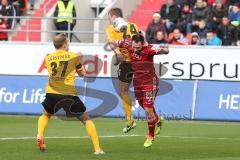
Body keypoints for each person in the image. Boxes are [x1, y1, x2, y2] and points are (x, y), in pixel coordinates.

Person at [37, 34, 104, 155]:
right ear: (65, 44)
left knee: (46, 114)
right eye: (67, 43)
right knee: (86, 119)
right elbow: (83, 74)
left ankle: (40, 134)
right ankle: (97, 149)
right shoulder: (73, 56)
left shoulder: (48, 58)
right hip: (68, 93)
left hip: (52, 92)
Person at [116, 33, 169, 147]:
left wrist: (163, 50)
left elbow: (166, 51)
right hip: (138, 82)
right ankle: (157, 119)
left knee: (148, 108)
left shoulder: (149, 50)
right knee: (142, 104)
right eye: (134, 47)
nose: (135, 50)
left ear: (143, 44)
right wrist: (117, 52)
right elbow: (113, 43)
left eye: (138, 48)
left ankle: (150, 136)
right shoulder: (128, 45)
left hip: (150, 83)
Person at [106, 8, 140, 133]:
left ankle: (130, 120)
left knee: (123, 91)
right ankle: (154, 118)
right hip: (138, 61)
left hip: (126, 63)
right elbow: (139, 41)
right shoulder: (133, 26)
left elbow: (112, 44)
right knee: (141, 91)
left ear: (114, 17)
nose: (109, 20)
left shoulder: (111, 29)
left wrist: (117, 53)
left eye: (109, 17)